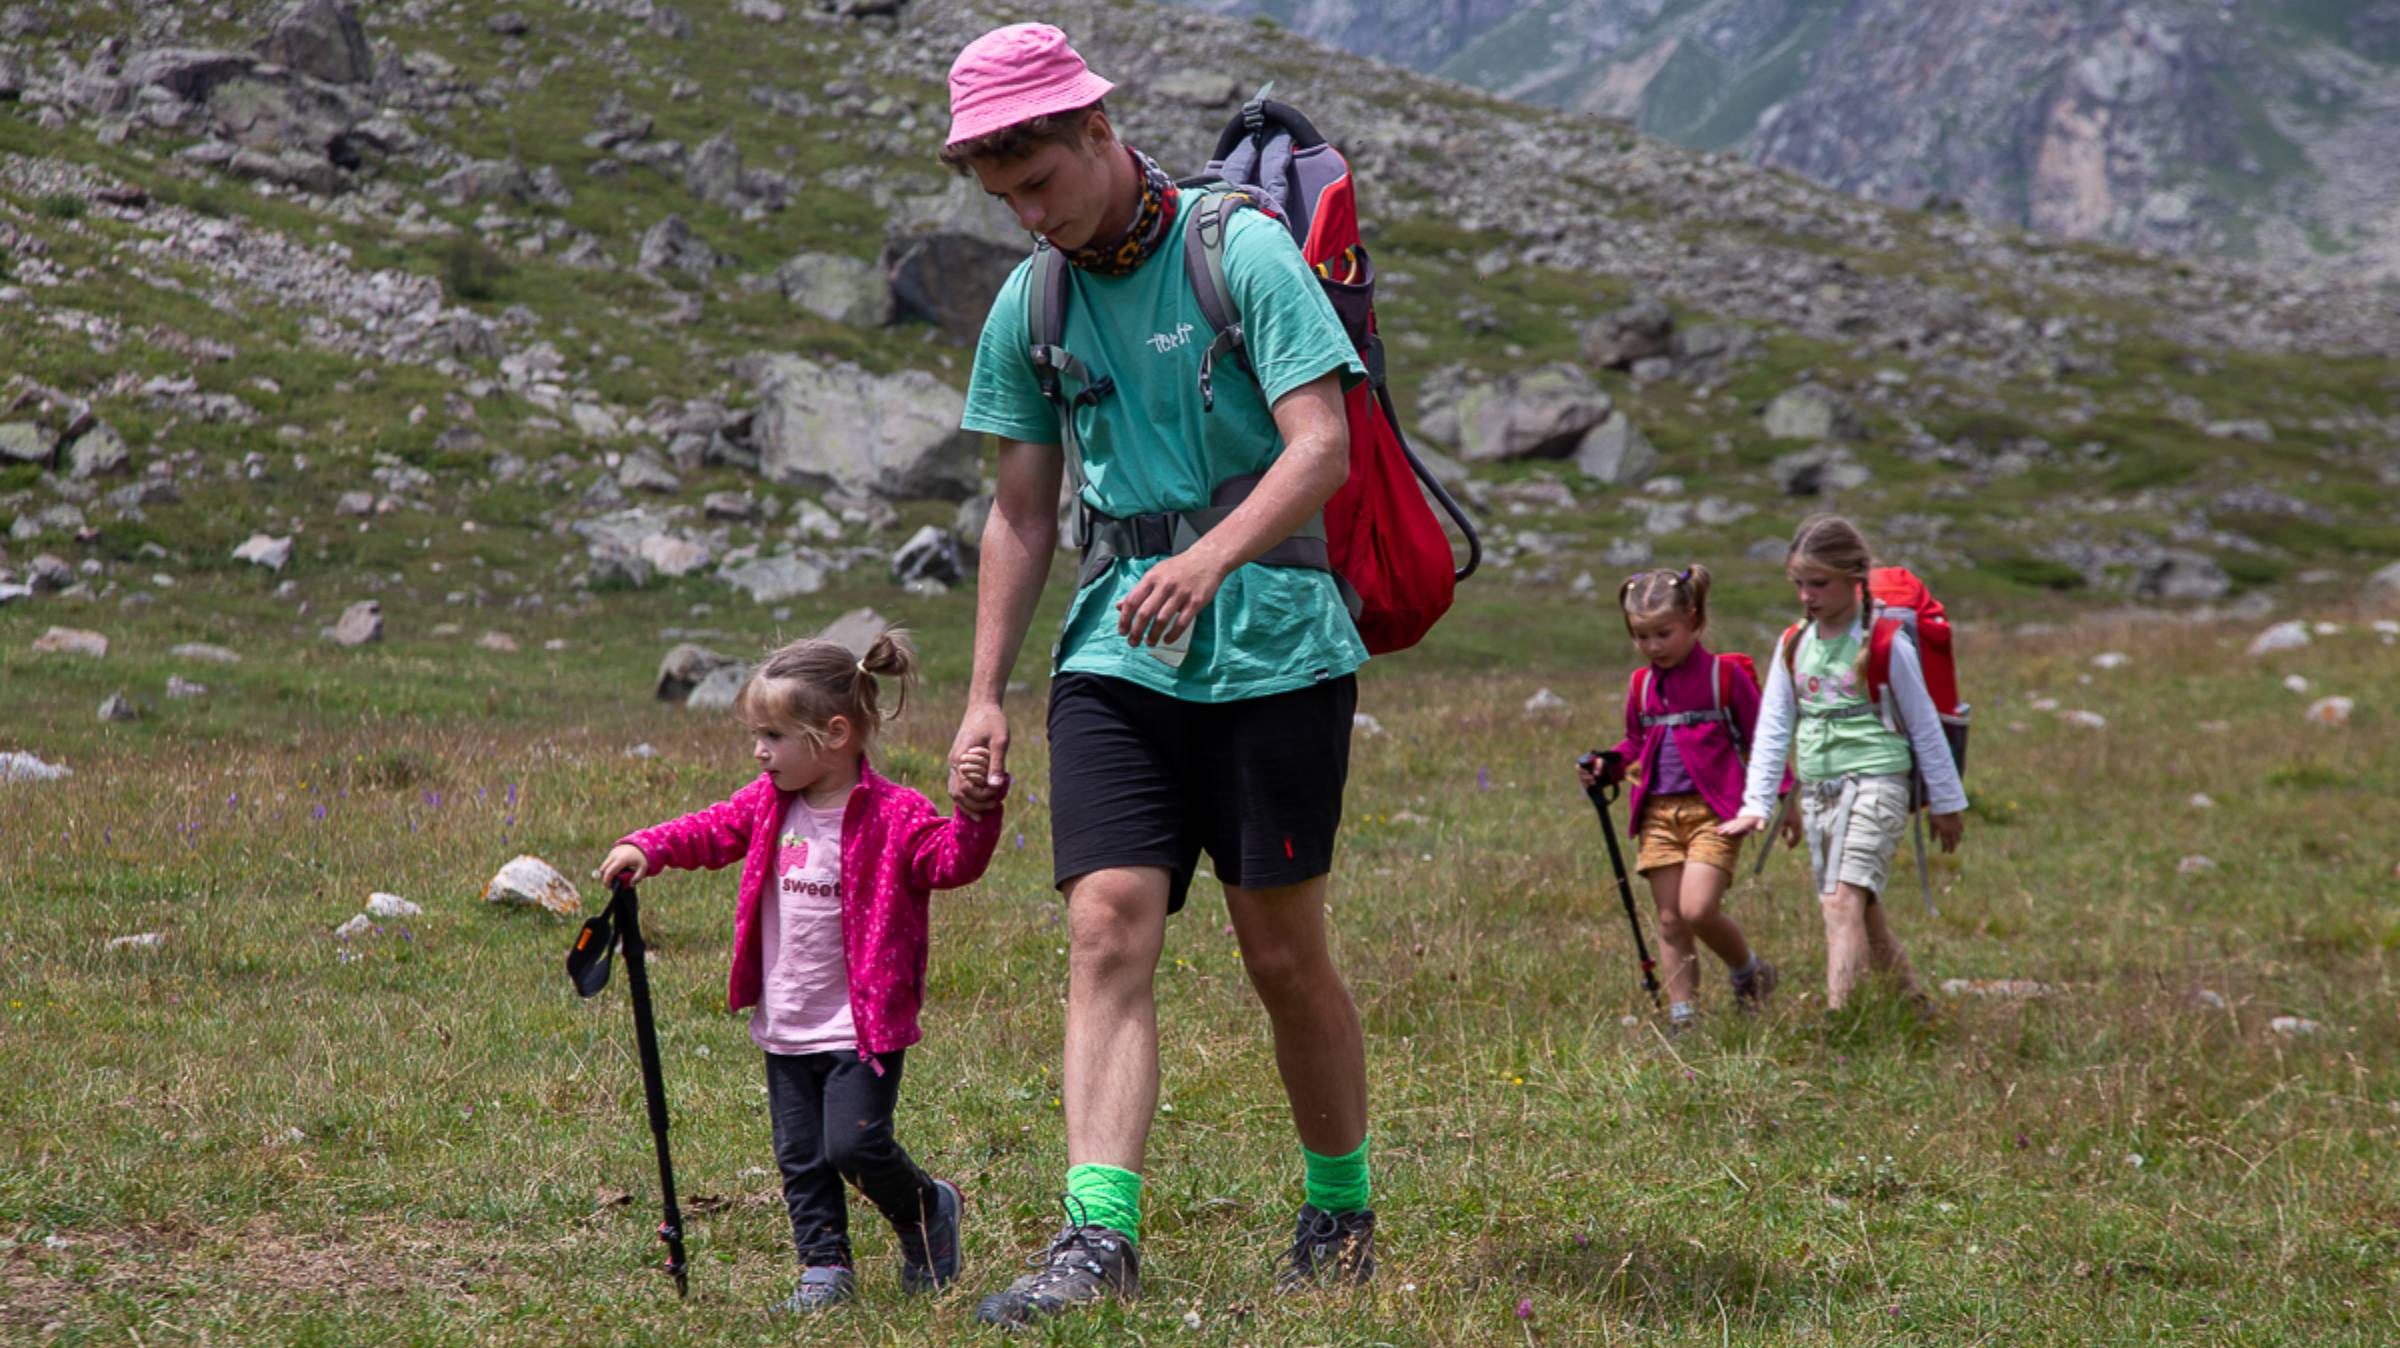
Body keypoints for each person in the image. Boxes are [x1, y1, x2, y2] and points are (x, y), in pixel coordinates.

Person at [935, 22, 1378, 1326]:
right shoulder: (1036, 300)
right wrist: (982, 696)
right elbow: (1021, 511)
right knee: (1104, 925)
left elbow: (1319, 448)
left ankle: (1339, 1204)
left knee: (1280, 955)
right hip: (1117, 659)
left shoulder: (1239, 249)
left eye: (1042, 183)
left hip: (1277, 646)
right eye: (1004, 195)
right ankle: (1098, 1240)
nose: (1030, 214)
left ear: (1097, 130)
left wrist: (1214, 561)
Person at [597, 631, 1007, 1311]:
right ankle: (823, 1267)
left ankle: (927, 1209)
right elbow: (712, 827)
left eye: (774, 735)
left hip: (861, 1026)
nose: (760, 750)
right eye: (759, 734)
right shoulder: (768, 803)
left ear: (836, 734)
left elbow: (952, 862)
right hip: (787, 1019)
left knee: (854, 1144)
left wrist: (976, 810)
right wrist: (650, 847)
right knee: (801, 1157)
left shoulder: (896, 814)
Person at [1720, 517, 1966, 1010]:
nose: (1807, 596)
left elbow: (1923, 725)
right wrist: (1756, 803)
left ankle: (1840, 1021)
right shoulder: (1793, 643)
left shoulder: (1885, 642)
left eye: (1819, 583)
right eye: (1799, 584)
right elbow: (1773, 727)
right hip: (1818, 789)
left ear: (1855, 578)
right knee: (1862, 906)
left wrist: (1946, 801)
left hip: (1879, 781)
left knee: (1838, 900)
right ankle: (1914, 1006)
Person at [1581, 565, 1784, 1031]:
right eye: (1642, 636)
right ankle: (1683, 1018)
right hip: (1657, 812)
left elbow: (1763, 740)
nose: (1654, 646)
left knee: (1697, 909)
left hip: (1715, 813)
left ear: (1693, 619)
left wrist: (1780, 798)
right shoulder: (1642, 685)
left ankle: (1749, 973)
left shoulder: (1725, 677)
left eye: (1664, 633)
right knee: (1671, 920)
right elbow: (1636, 745)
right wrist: (1607, 766)